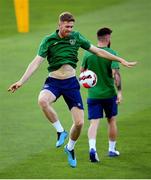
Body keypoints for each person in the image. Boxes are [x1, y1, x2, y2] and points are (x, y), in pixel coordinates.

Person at [8, 12, 136, 168]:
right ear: (59, 25)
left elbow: (98, 51)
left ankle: (70, 147)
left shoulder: (76, 37)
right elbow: (36, 62)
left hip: (71, 83)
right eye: (67, 26)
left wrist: (120, 60)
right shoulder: (48, 41)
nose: (69, 29)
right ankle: (60, 131)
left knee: (80, 123)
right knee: (42, 100)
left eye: (71, 26)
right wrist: (21, 81)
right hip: (54, 82)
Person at [81, 27, 124, 163]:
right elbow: (116, 74)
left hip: (93, 95)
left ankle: (92, 148)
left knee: (94, 123)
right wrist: (119, 92)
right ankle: (111, 150)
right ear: (107, 38)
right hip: (109, 94)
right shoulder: (111, 53)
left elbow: (82, 73)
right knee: (111, 121)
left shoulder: (88, 54)